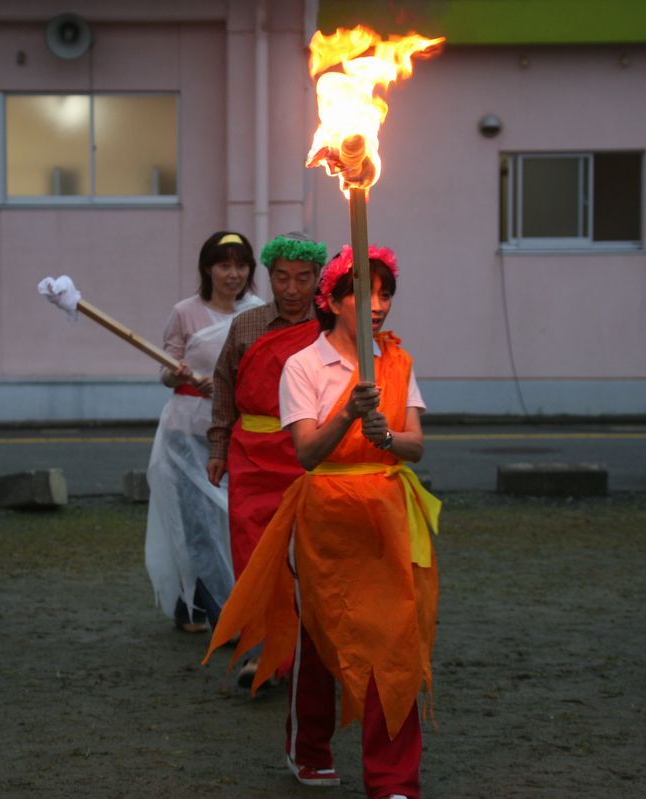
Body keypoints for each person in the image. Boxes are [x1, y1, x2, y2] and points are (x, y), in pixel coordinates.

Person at [205, 245, 440, 798]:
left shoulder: (398, 361)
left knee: (395, 642)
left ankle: (394, 782)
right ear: (332, 301)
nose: (378, 305)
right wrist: (351, 414)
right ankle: (308, 745)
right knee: (322, 638)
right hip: (326, 514)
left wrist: (389, 439)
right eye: (364, 292)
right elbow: (308, 453)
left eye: (386, 294)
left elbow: (417, 446)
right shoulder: (304, 364)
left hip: (388, 511)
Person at [205, 230, 325, 682]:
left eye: (303, 278)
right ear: (269, 278)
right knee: (255, 558)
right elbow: (224, 390)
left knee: (311, 559)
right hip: (251, 459)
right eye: (282, 278)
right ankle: (264, 652)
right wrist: (218, 448)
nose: (292, 289)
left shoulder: (334, 327)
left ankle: (313, 653)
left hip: (310, 456)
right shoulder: (247, 325)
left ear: (318, 278)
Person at [145, 231, 264, 633]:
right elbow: (165, 370)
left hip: (239, 431)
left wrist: (233, 388)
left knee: (234, 520)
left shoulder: (260, 313)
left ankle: (199, 604)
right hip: (187, 430)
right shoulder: (185, 312)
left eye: (241, 265)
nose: (233, 274)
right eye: (224, 265)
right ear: (207, 269)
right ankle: (219, 612)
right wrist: (179, 374)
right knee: (197, 523)